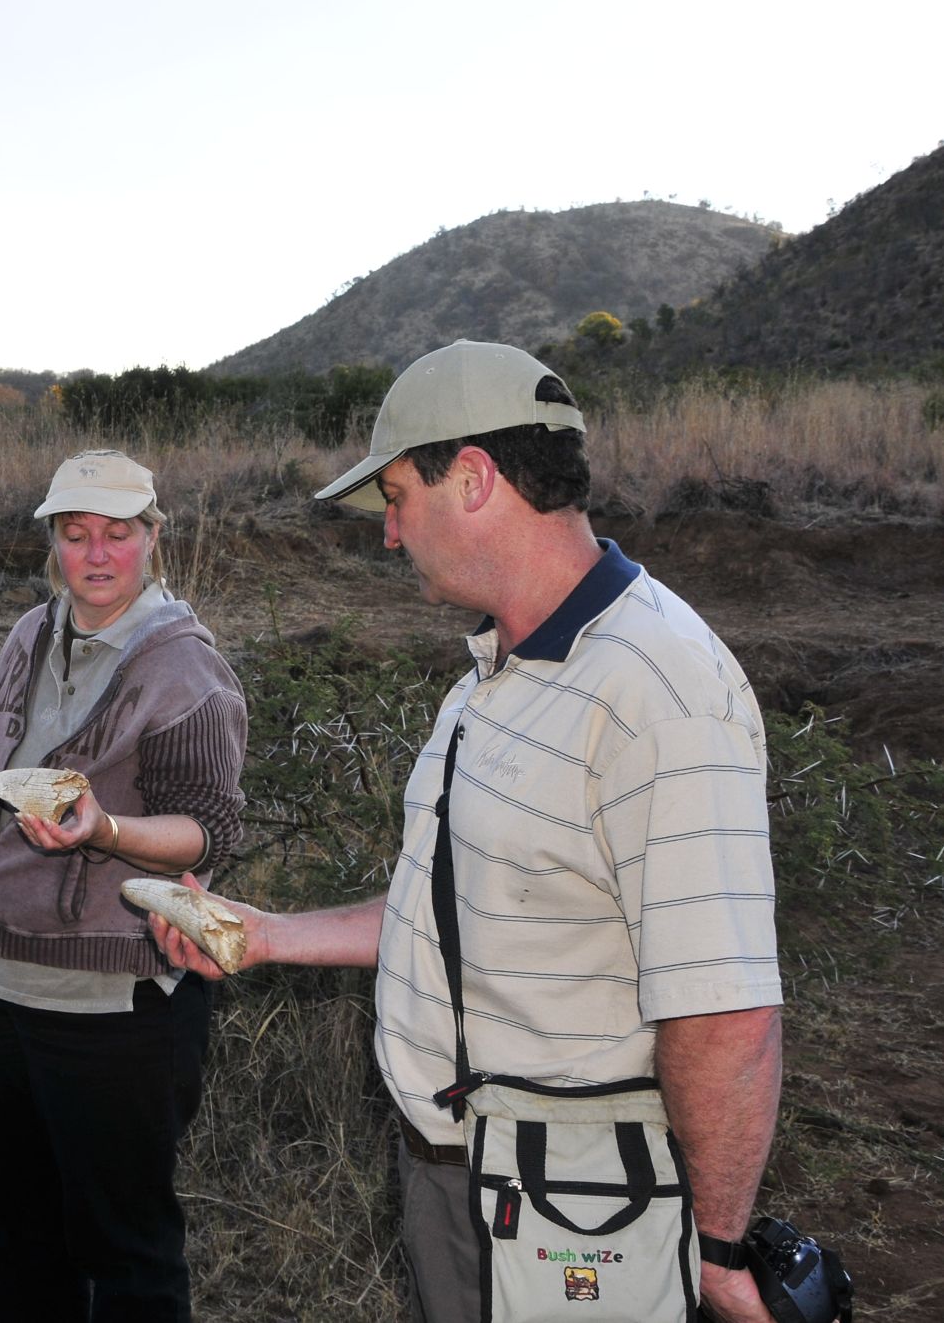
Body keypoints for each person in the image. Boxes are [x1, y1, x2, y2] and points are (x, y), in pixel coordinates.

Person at [147, 341, 783, 1323]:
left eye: (397, 497)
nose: (390, 534)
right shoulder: (490, 679)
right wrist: (264, 933)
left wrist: (715, 1247)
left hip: (574, 1205)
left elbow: (724, 1017)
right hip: (455, 1177)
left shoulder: (655, 692)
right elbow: (451, 907)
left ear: (474, 478)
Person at [0, 449, 249, 1322]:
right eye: (75, 535)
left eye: (119, 534)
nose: (97, 555)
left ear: (152, 539)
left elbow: (211, 829)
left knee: (127, 1255)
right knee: (16, 1235)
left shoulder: (185, 672)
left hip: (107, 1009)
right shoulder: (26, 636)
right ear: (53, 542)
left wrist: (105, 831)